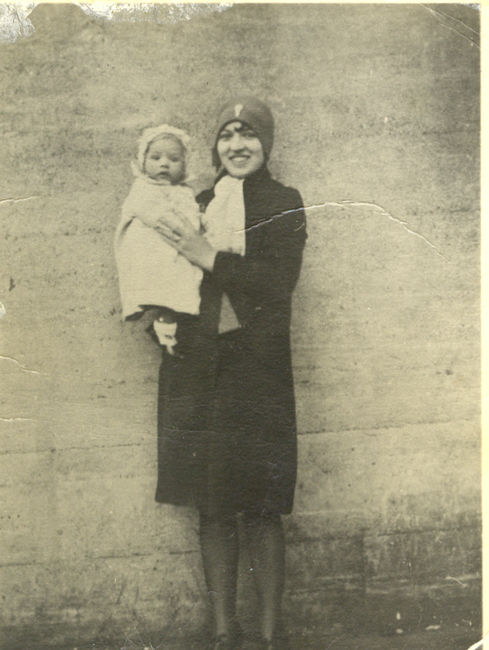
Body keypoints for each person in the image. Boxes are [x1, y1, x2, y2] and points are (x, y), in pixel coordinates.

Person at [154, 97, 307, 650]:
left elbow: (276, 284)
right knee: (214, 504)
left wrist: (209, 256)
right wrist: (159, 322)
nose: (237, 145)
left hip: (257, 373)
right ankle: (223, 632)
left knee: (262, 505)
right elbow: (160, 275)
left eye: (248, 135)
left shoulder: (284, 202)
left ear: (265, 144)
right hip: (199, 371)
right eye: (227, 135)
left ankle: (268, 636)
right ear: (215, 146)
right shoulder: (194, 202)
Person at [114, 124, 203, 353]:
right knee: (162, 281)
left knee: (180, 285)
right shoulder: (143, 188)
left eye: (174, 159)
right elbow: (157, 216)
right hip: (153, 247)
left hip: (176, 245)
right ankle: (164, 327)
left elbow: (192, 216)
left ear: (184, 165)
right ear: (143, 162)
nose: (164, 163)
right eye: (155, 157)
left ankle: (167, 329)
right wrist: (189, 227)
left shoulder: (183, 191)